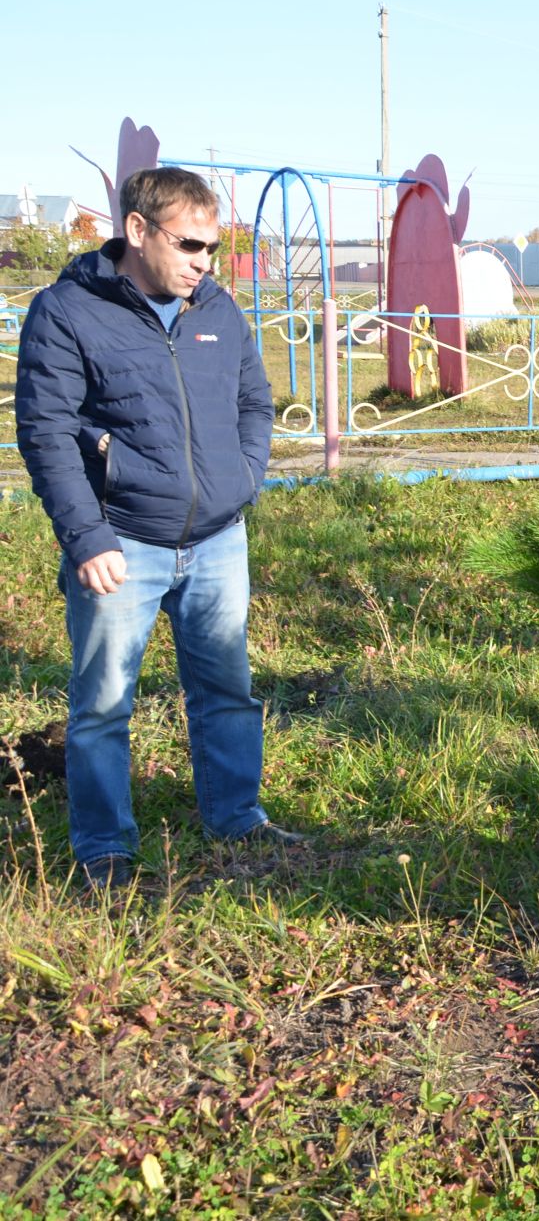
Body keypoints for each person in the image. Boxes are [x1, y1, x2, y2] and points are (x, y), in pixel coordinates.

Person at [15, 166, 304, 892]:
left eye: (213, 245)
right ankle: (105, 850)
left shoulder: (217, 309)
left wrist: (243, 478)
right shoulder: (68, 312)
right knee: (104, 705)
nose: (203, 261)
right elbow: (45, 433)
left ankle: (237, 816)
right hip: (122, 543)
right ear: (137, 231)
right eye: (190, 244)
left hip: (216, 540)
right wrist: (86, 537)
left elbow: (254, 402)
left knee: (226, 689)